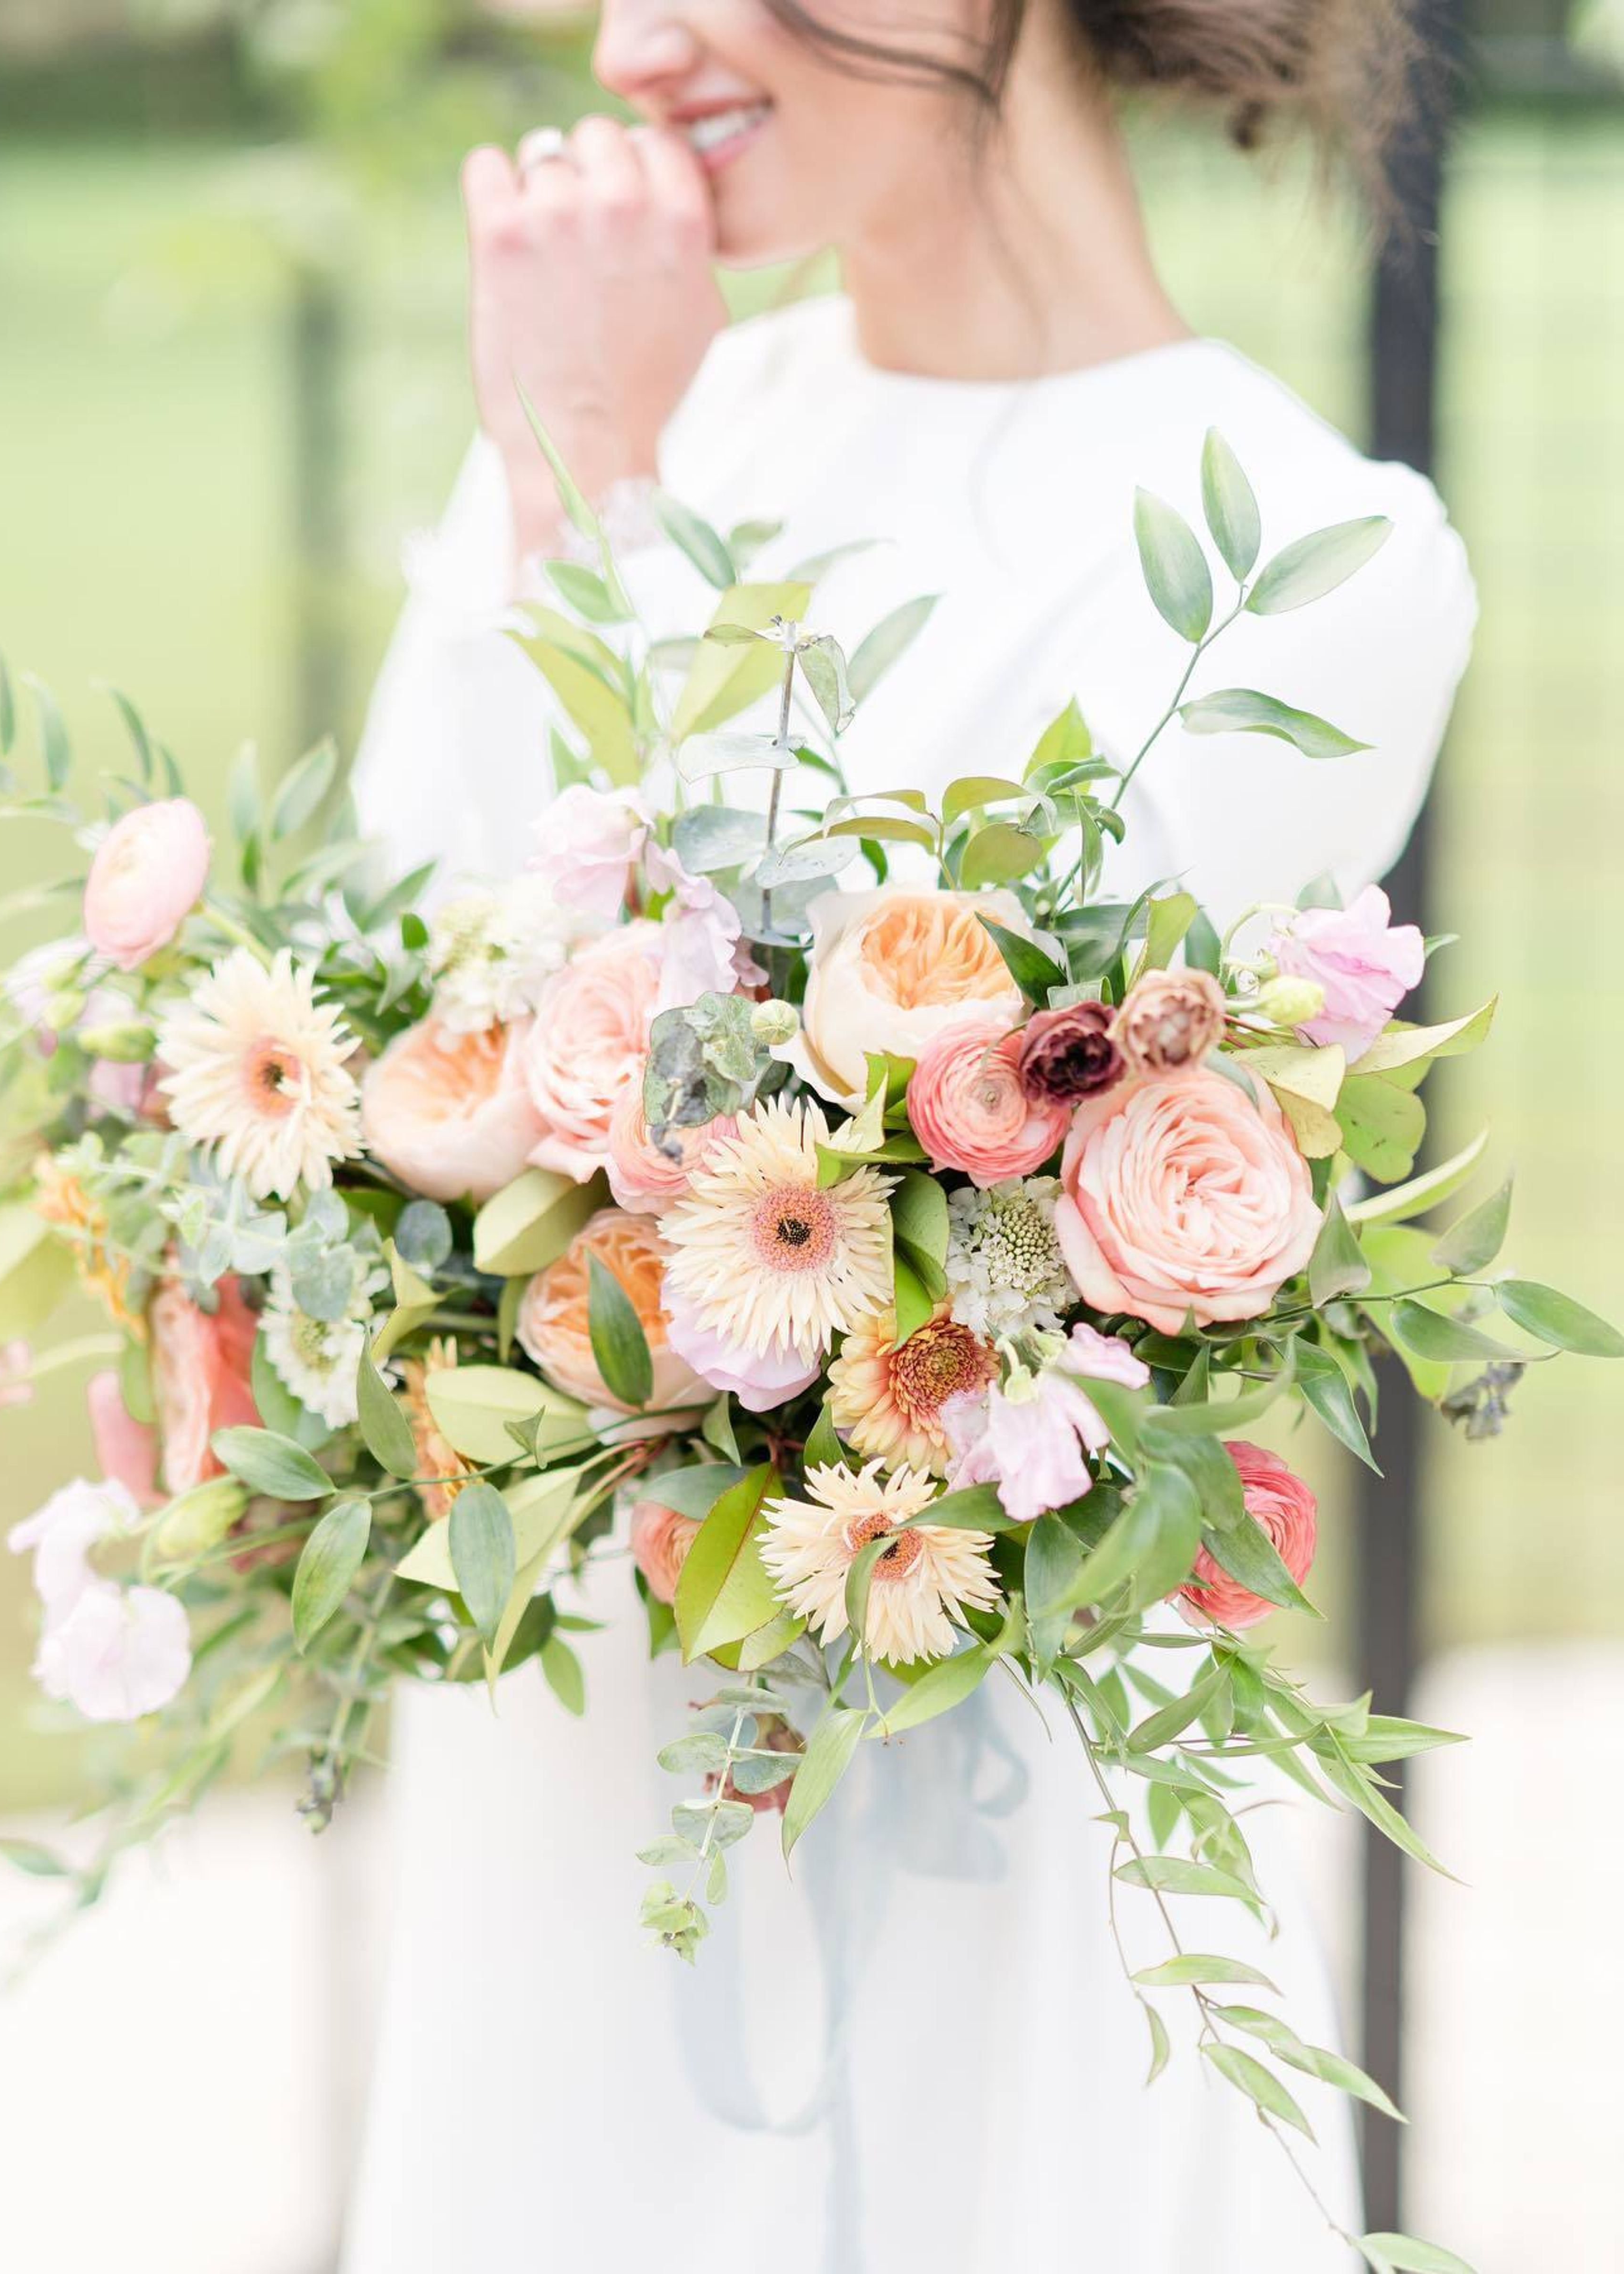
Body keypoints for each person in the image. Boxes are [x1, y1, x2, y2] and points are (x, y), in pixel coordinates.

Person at [341, 2, 1476, 2266]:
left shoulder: (1314, 558)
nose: (631, 40)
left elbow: (770, 1113)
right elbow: (419, 1030)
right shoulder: (661, 397)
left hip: (978, 1748)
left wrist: (586, 473)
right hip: (586, 1761)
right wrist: (576, 466)